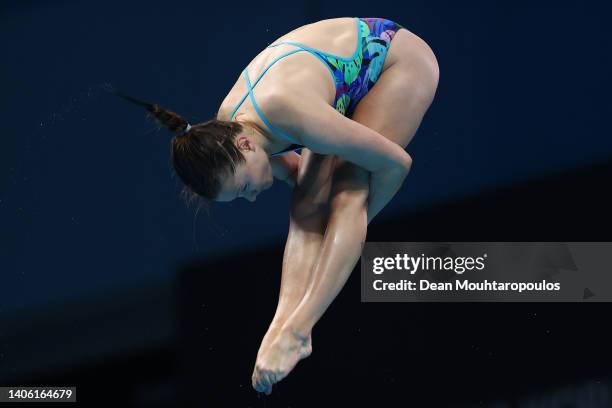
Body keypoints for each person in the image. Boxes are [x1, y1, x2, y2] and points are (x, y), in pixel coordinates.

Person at [118, 16, 439, 395]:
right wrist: (329, 241)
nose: (251, 197)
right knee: (308, 200)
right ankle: (281, 327)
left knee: (349, 193)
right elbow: (305, 196)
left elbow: (397, 164)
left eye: (242, 189)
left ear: (245, 147)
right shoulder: (231, 127)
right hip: (337, 95)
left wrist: (354, 223)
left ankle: (300, 329)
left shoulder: (285, 110)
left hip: (394, 59)